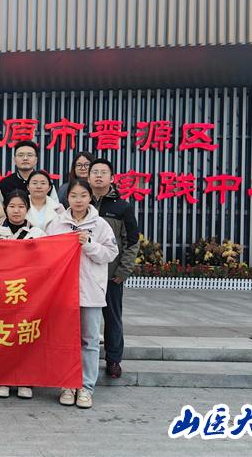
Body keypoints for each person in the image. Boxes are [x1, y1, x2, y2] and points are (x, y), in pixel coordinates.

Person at [46, 179, 119, 409]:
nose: (78, 200)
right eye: (74, 196)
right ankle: (67, 384)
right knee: (65, 340)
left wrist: (89, 244)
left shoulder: (100, 225)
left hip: (90, 291)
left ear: (90, 198)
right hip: (63, 292)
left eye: (83, 195)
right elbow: (46, 254)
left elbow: (110, 254)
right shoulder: (57, 223)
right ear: (67, 198)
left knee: (90, 341)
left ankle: (86, 387)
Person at [0, 190, 46, 400]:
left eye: (21, 206)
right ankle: (2, 378)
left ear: (27, 209)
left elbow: (46, 261)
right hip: (0, 292)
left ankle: (25, 380)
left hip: (27, 293)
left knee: (24, 337)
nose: (16, 211)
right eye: (12, 206)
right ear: (5, 208)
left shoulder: (37, 233)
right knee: (1, 336)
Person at [88, 158, 140, 380]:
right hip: (85, 273)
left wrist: (123, 271)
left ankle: (114, 359)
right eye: (95, 172)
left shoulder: (122, 207)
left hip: (110, 274)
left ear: (112, 177)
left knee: (112, 318)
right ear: (88, 176)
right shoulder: (80, 201)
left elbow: (132, 241)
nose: (99, 176)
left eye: (103, 172)